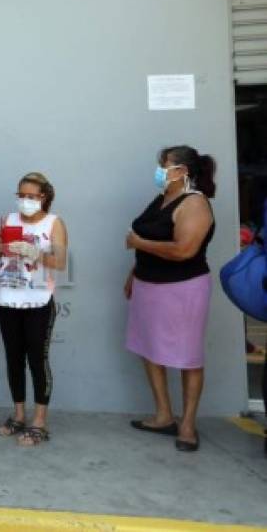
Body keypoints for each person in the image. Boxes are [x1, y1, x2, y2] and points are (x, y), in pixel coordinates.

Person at [125, 145, 216, 453]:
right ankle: (164, 414)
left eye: (164, 165)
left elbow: (183, 250)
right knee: (149, 349)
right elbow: (149, 239)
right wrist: (133, 273)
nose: (160, 171)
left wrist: (139, 243)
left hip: (182, 288)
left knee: (188, 356)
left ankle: (187, 424)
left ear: (182, 171)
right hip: (147, 284)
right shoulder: (163, 198)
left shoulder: (195, 204)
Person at [0, 172, 68, 447]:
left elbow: (60, 262)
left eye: (31, 196)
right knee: (13, 358)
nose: (25, 201)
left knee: (37, 359)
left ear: (43, 197)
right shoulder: (7, 220)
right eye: (21, 195)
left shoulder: (53, 223)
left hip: (38, 302)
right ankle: (19, 415)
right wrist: (1, 245)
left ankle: (39, 421)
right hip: (7, 298)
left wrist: (35, 253)